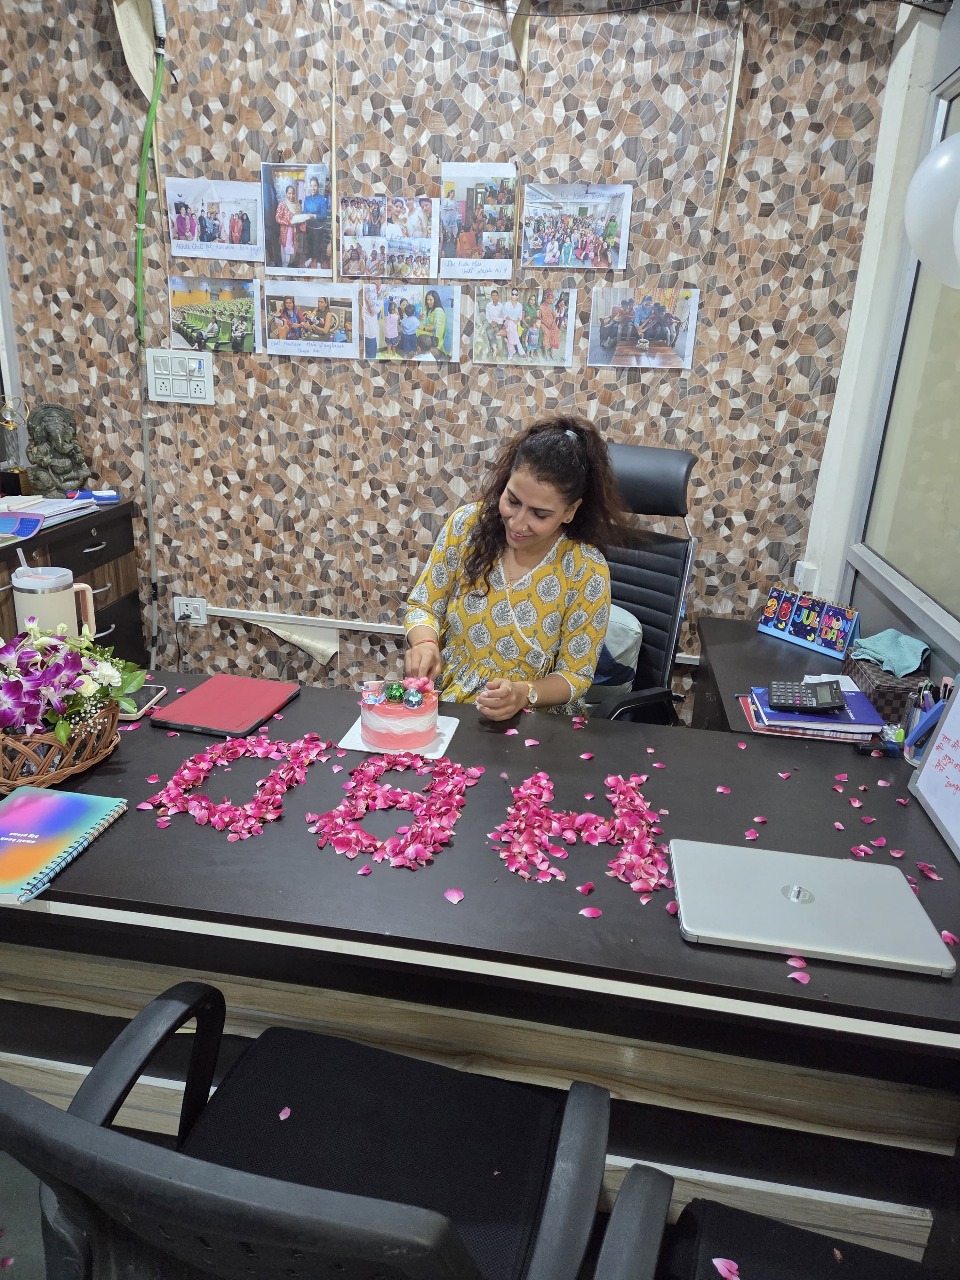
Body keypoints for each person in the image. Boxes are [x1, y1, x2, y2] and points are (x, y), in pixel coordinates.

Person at [404, 416, 622, 719]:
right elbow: (423, 605)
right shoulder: (467, 527)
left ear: (570, 511)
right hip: (451, 705)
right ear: (505, 484)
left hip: (537, 720)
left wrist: (524, 693)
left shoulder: (586, 569)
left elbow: (576, 676)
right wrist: (425, 643)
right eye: (513, 500)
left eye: (540, 514)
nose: (518, 524)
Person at [302, 176, 329, 268]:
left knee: (317, 246)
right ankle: (309, 259)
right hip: (309, 227)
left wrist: (314, 216)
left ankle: (317, 262)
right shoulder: (307, 199)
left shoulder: (321, 199)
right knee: (309, 245)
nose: (313, 188)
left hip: (318, 228)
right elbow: (305, 213)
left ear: (318, 187)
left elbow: (324, 215)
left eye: (315, 186)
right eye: (311, 186)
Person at [276, 184, 301, 269]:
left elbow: (299, 217)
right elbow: (277, 218)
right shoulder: (282, 205)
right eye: (289, 193)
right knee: (285, 252)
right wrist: (288, 222)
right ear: (286, 194)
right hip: (285, 232)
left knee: (293, 252)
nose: (291, 195)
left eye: (293, 193)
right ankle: (284, 268)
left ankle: (290, 266)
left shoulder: (296, 205)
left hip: (294, 232)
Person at [416, 290, 447, 357]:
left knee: (416, 332)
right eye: (427, 299)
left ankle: (421, 352)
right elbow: (424, 322)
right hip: (431, 334)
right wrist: (420, 317)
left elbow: (435, 328)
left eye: (431, 300)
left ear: (435, 300)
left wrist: (422, 328)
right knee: (416, 331)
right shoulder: (431, 310)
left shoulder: (438, 310)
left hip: (436, 339)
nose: (428, 302)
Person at [502, 287, 523, 357]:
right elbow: (504, 315)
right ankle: (519, 347)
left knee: (511, 329)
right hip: (508, 322)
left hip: (516, 323)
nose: (514, 296)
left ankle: (511, 352)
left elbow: (520, 316)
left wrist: (516, 321)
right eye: (512, 294)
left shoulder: (520, 305)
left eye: (515, 294)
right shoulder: (506, 304)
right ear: (510, 295)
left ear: (518, 296)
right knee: (511, 324)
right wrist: (511, 319)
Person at [362, 286, 379, 359]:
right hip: (369, 331)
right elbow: (375, 309)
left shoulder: (368, 288)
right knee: (370, 357)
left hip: (366, 329)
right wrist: (381, 296)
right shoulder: (370, 288)